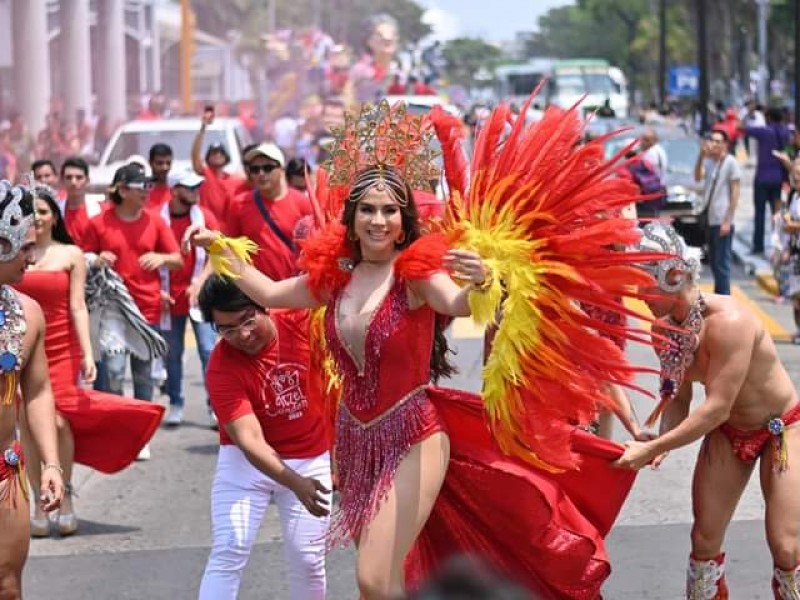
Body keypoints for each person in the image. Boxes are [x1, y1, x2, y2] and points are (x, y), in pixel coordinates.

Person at [616, 222, 800, 598]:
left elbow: (716, 408)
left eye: (644, 283)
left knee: (786, 546)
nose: (639, 295)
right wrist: (663, 441)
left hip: (781, 429)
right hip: (731, 432)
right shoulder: (664, 330)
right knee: (703, 540)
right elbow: (680, 399)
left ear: (672, 276)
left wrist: (652, 448)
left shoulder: (730, 322)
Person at [14, 185, 164, 537]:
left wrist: (87, 352)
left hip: (62, 348)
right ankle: (39, 501)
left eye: (44, 210)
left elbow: (79, 306)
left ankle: (63, 497)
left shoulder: (71, 254)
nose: (38, 217)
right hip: (20, 346)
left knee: (60, 422)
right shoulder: (15, 254)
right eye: (31, 211)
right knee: (29, 429)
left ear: (55, 216)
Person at [196, 276, 330, 599]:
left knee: (308, 559)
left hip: (309, 453)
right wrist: (295, 483)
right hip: (246, 466)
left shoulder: (302, 321)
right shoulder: (220, 365)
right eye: (227, 329)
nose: (242, 335)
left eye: (247, 319)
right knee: (231, 546)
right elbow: (250, 440)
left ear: (263, 303)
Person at [0, 180, 64, 597]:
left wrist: (53, 465)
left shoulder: (27, 314)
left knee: (7, 584)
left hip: (5, 471)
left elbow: (38, 392)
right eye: (24, 246)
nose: (33, 256)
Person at [159, 170, 218, 427]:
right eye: (189, 186)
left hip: (199, 297)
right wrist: (156, 290)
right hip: (168, 300)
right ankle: (175, 402)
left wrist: (199, 283)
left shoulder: (205, 217)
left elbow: (217, 254)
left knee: (209, 350)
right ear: (174, 190)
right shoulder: (157, 219)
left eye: (197, 186)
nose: (196, 190)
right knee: (172, 354)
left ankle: (215, 406)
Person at [694, 130, 741, 295]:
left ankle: (725, 299)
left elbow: (735, 192)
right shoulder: (708, 162)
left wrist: (728, 220)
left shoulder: (731, 162)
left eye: (717, 141)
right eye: (711, 140)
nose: (713, 144)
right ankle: (719, 295)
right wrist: (701, 156)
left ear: (725, 145)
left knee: (722, 263)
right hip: (710, 219)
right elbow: (698, 177)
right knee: (713, 262)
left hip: (722, 220)